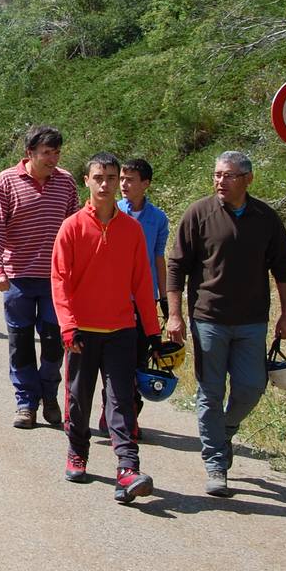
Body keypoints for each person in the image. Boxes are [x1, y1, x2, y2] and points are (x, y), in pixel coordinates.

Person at [167, 150, 286, 498]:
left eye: (229, 175)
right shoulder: (199, 213)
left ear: (248, 179)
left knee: (252, 386)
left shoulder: (265, 218)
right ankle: (215, 464)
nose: (221, 181)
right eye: (217, 175)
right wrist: (175, 314)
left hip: (253, 320)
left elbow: (283, 267)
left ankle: (224, 431)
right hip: (208, 318)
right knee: (210, 391)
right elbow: (176, 265)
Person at [52, 152, 160, 504]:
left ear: (119, 182)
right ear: (87, 181)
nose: (105, 184)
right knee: (78, 400)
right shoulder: (71, 227)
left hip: (121, 330)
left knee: (121, 400)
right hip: (82, 332)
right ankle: (77, 452)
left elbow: (143, 284)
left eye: (111, 178)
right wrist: (68, 328)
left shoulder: (132, 231)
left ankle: (128, 467)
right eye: (98, 177)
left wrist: (153, 332)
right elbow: (61, 282)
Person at [0, 125, 79, 429]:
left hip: (56, 280)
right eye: (46, 153)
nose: (52, 159)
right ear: (30, 153)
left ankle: (49, 396)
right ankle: (26, 403)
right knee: (21, 343)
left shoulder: (66, 183)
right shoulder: (6, 181)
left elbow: (75, 232)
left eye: (56, 153)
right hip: (17, 279)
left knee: (54, 343)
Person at [108, 157, 169, 437]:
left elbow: (159, 257)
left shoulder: (158, 218)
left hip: (144, 298)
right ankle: (111, 411)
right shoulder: (111, 210)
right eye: (121, 178)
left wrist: (164, 298)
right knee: (111, 358)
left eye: (130, 179)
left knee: (139, 358)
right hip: (113, 296)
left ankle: (130, 413)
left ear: (146, 184)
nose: (123, 184)